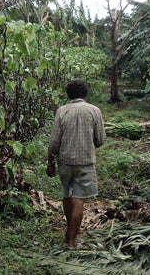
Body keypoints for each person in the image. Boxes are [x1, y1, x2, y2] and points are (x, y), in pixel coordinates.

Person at [46, 79, 105, 249]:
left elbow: (54, 142)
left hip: (65, 161)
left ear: (68, 94)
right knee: (79, 199)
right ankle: (72, 241)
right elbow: (100, 140)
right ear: (85, 93)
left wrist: (50, 162)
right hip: (85, 163)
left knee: (67, 195)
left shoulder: (62, 111)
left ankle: (68, 230)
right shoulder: (94, 111)